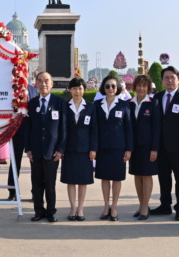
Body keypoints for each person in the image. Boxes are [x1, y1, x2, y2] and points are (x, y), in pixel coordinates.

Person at [150, 66, 179, 221]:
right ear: (162, 80)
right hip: (161, 147)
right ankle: (165, 205)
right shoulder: (157, 97)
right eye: (166, 78)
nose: (169, 80)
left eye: (172, 78)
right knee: (164, 178)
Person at [26, 72, 67, 222]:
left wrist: (61, 149)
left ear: (51, 84)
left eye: (46, 81)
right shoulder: (31, 104)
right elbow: (28, 128)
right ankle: (38, 211)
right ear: (36, 84)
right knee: (36, 183)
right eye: (40, 81)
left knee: (50, 184)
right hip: (35, 151)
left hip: (52, 151)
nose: (43, 84)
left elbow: (63, 128)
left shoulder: (59, 103)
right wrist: (28, 149)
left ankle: (51, 212)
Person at [95, 75, 133, 221]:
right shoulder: (97, 104)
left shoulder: (124, 105)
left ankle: (115, 206)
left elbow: (129, 129)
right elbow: (94, 128)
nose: (110, 89)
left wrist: (129, 149)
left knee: (117, 178)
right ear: (103, 88)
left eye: (113, 86)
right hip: (102, 148)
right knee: (104, 178)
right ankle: (106, 206)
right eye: (107, 86)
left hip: (119, 148)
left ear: (117, 88)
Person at [60, 77, 97, 221]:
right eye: (75, 88)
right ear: (70, 90)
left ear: (84, 90)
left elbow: (94, 130)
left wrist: (93, 149)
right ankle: (72, 208)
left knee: (83, 180)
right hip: (69, 149)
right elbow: (62, 129)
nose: (77, 91)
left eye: (80, 88)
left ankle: (80, 208)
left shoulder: (90, 107)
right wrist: (61, 148)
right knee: (71, 180)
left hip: (85, 150)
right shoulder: (65, 106)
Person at [128, 74, 161, 220]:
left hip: (148, 147)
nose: (141, 88)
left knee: (146, 175)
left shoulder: (153, 103)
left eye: (144, 86)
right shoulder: (129, 103)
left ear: (148, 88)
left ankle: (145, 207)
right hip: (134, 146)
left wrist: (155, 148)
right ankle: (142, 204)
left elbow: (157, 128)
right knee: (137, 175)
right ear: (135, 87)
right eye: (139, 86)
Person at [8, 83, 38, 201]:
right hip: (17, 129)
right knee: (15, 161)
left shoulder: (33, 89)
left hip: (32, 130)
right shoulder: (14, 86)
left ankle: (36, 192)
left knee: (35, 162)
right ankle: (12, 191)